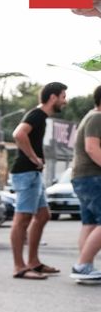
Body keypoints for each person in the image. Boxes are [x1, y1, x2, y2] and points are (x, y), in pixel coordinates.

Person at [9, 82, 67, 280]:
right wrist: (34, 158)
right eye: (63, 97)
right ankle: (19, 267)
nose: (65, 101)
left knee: (43, 216)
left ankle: (34, 262)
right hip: (25, 172)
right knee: (22, 220)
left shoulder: (41, 117)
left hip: (33, 174)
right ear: (53, 97)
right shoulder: (36, 114)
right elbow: (18, 134)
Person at [69, 85, 101, 281]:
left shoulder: (91, 115)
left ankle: (85, 265)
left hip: (83, 177)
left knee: (89, 223)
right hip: (92, 176)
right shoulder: (98, 117)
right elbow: (92, 148)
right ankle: (82, 265)